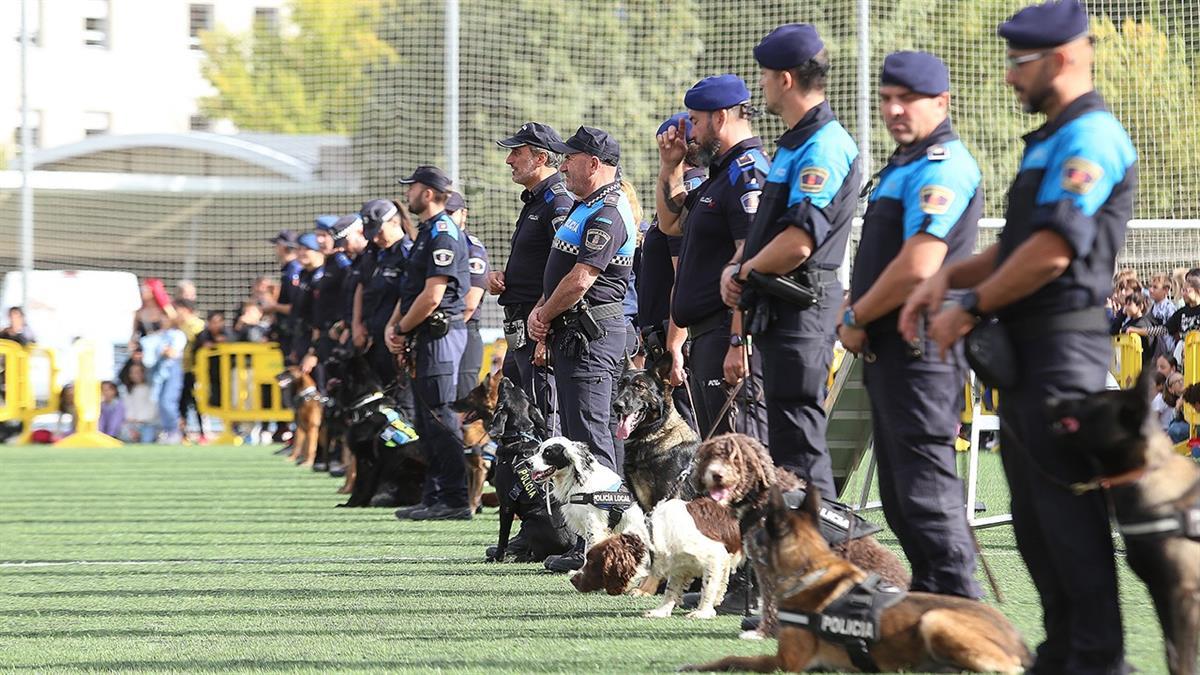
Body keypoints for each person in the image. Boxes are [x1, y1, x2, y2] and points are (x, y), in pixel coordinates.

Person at [904, 2, 1138, 670]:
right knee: (1039, 535)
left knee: (1071, 535)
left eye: (1018, 62)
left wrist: (969, 302)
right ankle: (1063, 656)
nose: (1009, 77)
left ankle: (1097, 661)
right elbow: (1013, 244)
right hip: (1029, 363)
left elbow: (1053, 251)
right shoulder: (1053, 136)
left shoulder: (1090, 136)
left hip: (1065, 358)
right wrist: (941, 282)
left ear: (1061, 59)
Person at [838, 51, 982, 599]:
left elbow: (921, 261)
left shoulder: (942, 162)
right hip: (893, 350)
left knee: (924, 493)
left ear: (941, 103)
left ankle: (959, 611)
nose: (895, 110)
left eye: (909, 100)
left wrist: (856, 314)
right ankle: (931, 606)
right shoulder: (906, 160)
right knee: (900, 496)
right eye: (887, 99)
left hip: (921, 351)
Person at [720, 24, 861, 497]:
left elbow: (800, 242)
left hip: (802, 305)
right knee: (786, 442)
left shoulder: (823, 144)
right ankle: (801, 558)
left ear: (784, 79)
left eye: (763, 76)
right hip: (781, 306)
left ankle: (822, 557)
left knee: (799, 445)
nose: (760, 86)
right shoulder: (796, 142)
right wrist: (739, 266)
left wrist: (742, 270)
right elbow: (770, 232)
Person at [659, 76, 771, 441]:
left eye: (694, 120)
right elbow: (670, 223)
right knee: (716, 458)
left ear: (719, 117)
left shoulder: (747, 173)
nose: (689, 131)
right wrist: (670, 166)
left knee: (736, 459)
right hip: (707, 336)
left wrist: (739, 342)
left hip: (729, 333)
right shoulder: (719, 176)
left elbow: (752, 261)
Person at [528, 126, 636, 476]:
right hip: (574, 332)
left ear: (592, 163)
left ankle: (606, 523)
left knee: (590, 436)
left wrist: (543, 314)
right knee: (580, 433)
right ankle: (590, 526)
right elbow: (563, 270)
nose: (561, 167)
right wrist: (542, 307)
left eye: (568, 159)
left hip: (590, 335)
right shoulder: (584, 206)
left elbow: (580, 280)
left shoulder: (608, 211)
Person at [386, 166, 472, 521]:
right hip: (424, 334)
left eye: (414, 187)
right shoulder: (427, 232)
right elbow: (411, 290)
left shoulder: (442, 232)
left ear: (429, 192)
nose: (409, 194)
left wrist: (402, 329)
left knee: (441, 416)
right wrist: (396, 326)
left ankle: (454, 499)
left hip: (439, 334)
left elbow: (433, 296)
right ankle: (435, 494)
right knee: (427, 417)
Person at [490, 122, 574, 431]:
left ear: (540, 158)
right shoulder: (535, 200)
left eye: (517, 152)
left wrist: (543, 326)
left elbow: (566, 267)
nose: (509, 160)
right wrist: (502, 276)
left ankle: (546, 479)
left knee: (543, 415)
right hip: (521, 325)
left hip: (539, 325)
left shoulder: (558, 202)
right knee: (517, 413)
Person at [635, 114, 700, 430]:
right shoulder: (691, 189)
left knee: (689, 432)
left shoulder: (686, 194)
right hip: (665, 335)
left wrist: (675, 345)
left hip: (677, 337)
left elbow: (684, 275)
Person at [356, 200, 411, 406]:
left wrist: (396, 331)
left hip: (395, 339)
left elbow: (407, 296)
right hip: (374, 339)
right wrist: (357, 324)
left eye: (379, 231)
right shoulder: (377, 254)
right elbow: (363, 288)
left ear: (395, 222)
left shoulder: (407, 252)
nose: (376, 238)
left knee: (400, 405)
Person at [447, 191, 490, 401]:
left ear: (463, 214)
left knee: (463, 405)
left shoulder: (472, 249)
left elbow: (469, 305)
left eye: (450, 212)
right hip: (441, 334)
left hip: (462, 333)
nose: (445, 218)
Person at [264, 230, 302, 365]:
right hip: (288, 332)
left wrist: (273, 307)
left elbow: (296, 307)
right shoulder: (289, 270)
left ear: (284, 246)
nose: (275, 249)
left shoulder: (293, 270)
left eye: (277, 245)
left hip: (292, 335)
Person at [175, 299, 207, 442]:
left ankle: (203, 434)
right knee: (182, 402)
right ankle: (183, 434)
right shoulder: (178, 326)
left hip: (196, 371)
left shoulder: (198, 325)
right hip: (182, 370)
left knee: (198, 402)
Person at [122, 361, 156, 443]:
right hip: (131, 424)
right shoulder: (127, 390)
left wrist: (141, 420)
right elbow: (127, 408)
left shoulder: (151, 388)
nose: (134, 375)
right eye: (132, 373)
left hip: (147, 424)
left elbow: (153, 408)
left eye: (138, 372)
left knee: (146, 441)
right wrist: (131, 421)